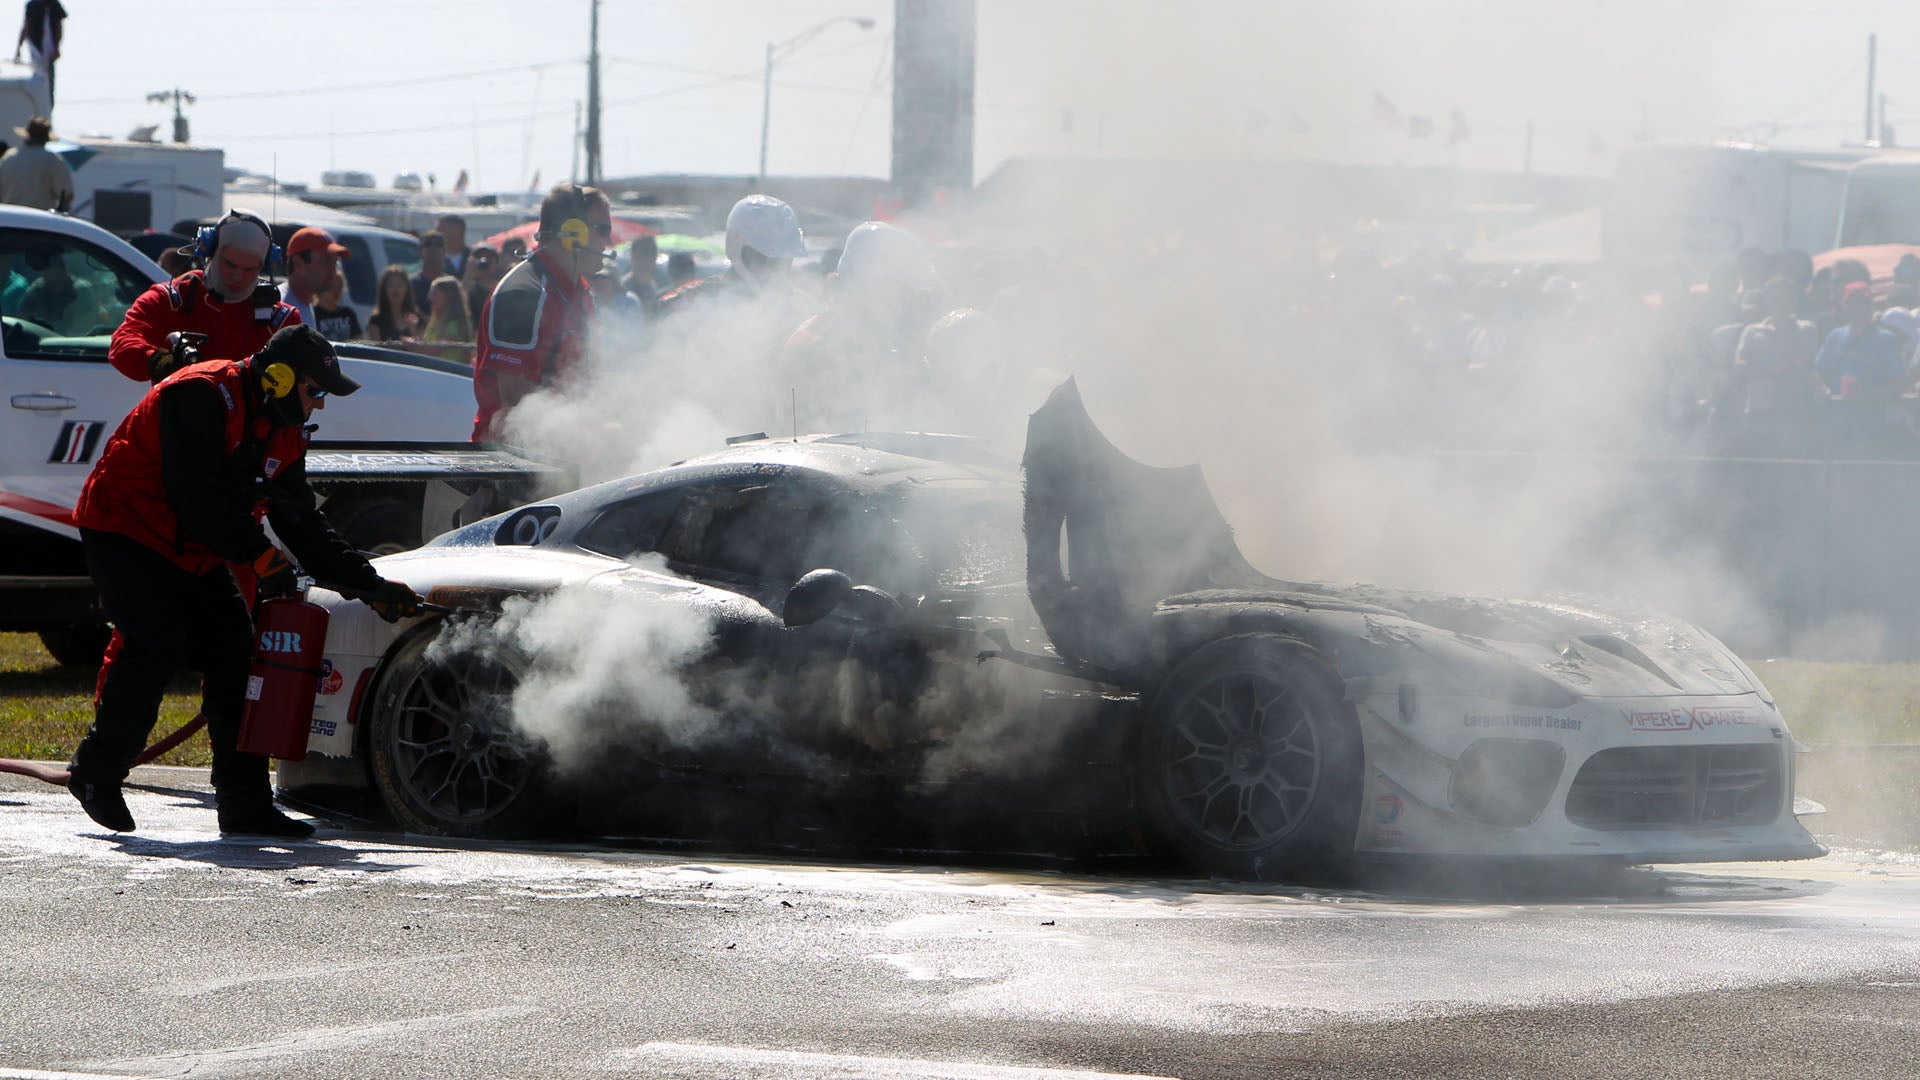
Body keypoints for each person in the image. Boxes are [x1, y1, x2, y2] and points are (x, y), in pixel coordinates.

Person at [66, 325, 424, 837]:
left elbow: (303, 524)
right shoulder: (199, 394)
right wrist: (257, 555)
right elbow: (194, 496)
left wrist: (371, 586)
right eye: (315, 391)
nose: (319, 406)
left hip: (194, 548)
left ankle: (245, 804)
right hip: (125, 530)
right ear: (278, 378)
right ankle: (96, 770)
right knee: (154, 643)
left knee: (236, 655)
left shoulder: (286, 428)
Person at [470, 183, 606, 440]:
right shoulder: (523, 293)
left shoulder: (581, 292)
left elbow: (589, 379)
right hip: (509, 464)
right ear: (573, 234)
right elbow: (516, 404)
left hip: (562, 451)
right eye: (603, 229)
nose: (608, 240)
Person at [108, 209, 301, 383]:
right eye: (230, 264)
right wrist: (160, 362)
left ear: (264, 266)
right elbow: (122, 344)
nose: (238, 276)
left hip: (249, 422)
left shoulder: (280, 321)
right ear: (209, 250)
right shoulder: (171, 299)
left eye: (249, 269)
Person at [657, 194, 807, 314]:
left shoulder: (802, 308)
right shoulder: (689, 301)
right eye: (763, 259)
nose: (774, 269)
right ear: (739, 250)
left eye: (784, 260)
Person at [1814, 281, 1909, 398]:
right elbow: (1818, 371)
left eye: (1863, 302)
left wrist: (1874, 396)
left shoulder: (1887, 339)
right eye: (1853, 303)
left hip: (1875, 411)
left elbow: (1899, 379)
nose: (1858, 308)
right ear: (1844, 307)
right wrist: (1822, 388)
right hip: (1839, 409)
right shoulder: (1836, 336)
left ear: (1871, 306)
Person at [278, 226, 348, 328]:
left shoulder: (304, 303)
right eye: (327, 260)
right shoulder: (281, 310)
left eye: (335, 261)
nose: (334, 270)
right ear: (298, 264)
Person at [0, 114, 72, 212]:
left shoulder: (8, 158)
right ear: (46, 138)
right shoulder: (52, 159)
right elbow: (67, 195)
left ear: (27, 135)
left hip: (11, 218)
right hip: (39, 220)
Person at [13, 1, 65, 108]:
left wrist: (57, 48)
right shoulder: (32, 5)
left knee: (49, 80)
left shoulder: (54, 5)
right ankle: (38, 107)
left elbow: (59, 27)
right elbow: (26, 26)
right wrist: (19, 48)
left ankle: (48, 108)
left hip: (49, 47)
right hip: (35, 47)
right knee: (38, 77)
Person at [366, 263, 421, 343]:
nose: (395, 289)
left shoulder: (417, 317)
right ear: (384, 290)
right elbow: (377, 352)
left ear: (407, 289)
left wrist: (413, 331)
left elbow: (423, 350)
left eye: (400, 284)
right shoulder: (376, 320)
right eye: (390, 284)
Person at [421, 274, 473, 353]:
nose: (429, 297)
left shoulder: (454, 325)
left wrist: (414, 347)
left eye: (435, 293)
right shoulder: (434, 323)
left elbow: (434, 351)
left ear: (449, 296)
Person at [310, 268, 361, 342]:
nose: (336, 291)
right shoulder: (313, 314)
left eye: (339, 287)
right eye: (332, 287)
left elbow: (358, 340)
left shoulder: (348, 314)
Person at [461, 243, 501, 326]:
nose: (483, 262)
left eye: (489, 258)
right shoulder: (469, 288)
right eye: (479, 258)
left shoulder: (501, 288)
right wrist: (469, 274)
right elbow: (458, 304)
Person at [411, 229, 447, 312]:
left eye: (439, 245)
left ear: (444, 252)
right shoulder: (410, 285)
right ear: (420, 251)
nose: (433, 249)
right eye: (428, 244)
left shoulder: (450, 285)